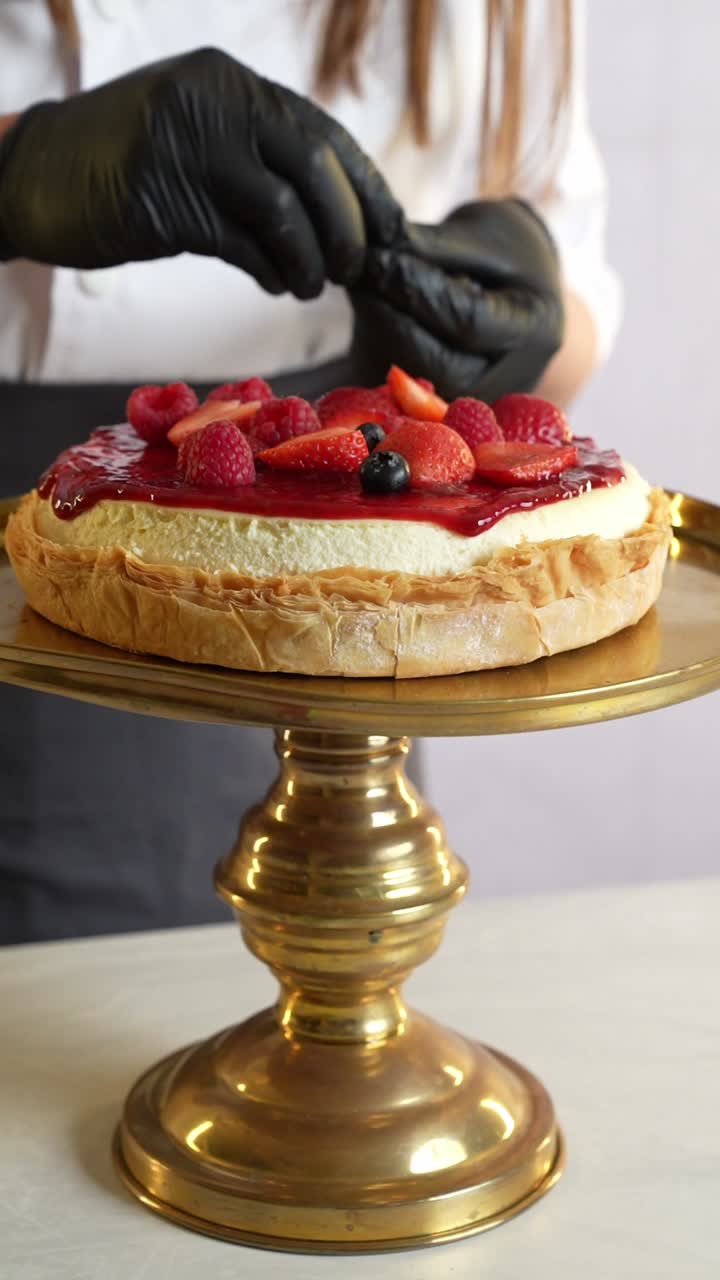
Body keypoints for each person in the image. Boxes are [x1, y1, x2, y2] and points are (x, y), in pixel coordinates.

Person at [0, 0, 620, 945]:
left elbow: (568, 318)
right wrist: (15, 170)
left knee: (331, 970)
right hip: (48, 514)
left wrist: (516, 326)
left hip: (361, 538)